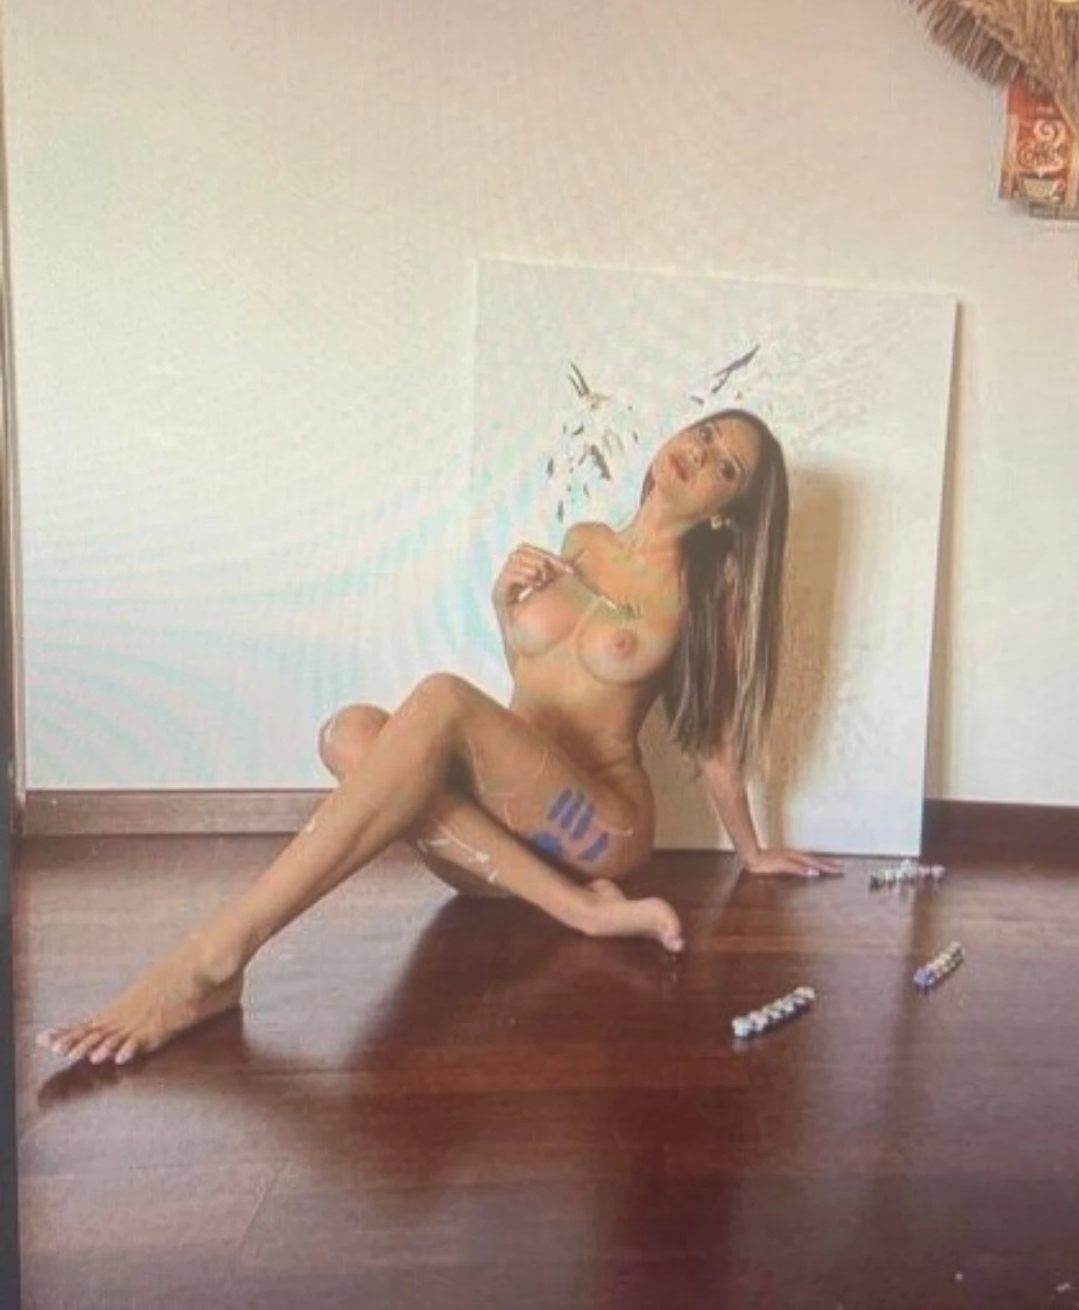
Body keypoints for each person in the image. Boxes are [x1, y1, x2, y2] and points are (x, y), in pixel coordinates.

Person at [38, 409, 842, 1067]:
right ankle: (575, 908)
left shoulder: (703, 594)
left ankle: (214, 956)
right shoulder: (582, 540)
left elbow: (716, 744)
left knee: (442, 701)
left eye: (725, 468)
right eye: (703, 435)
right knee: (350, 733)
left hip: (597, 824)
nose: (699, 456)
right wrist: (502, 604)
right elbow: (534, 684)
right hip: (511, 829)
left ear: (726, 508)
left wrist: (753, 850)